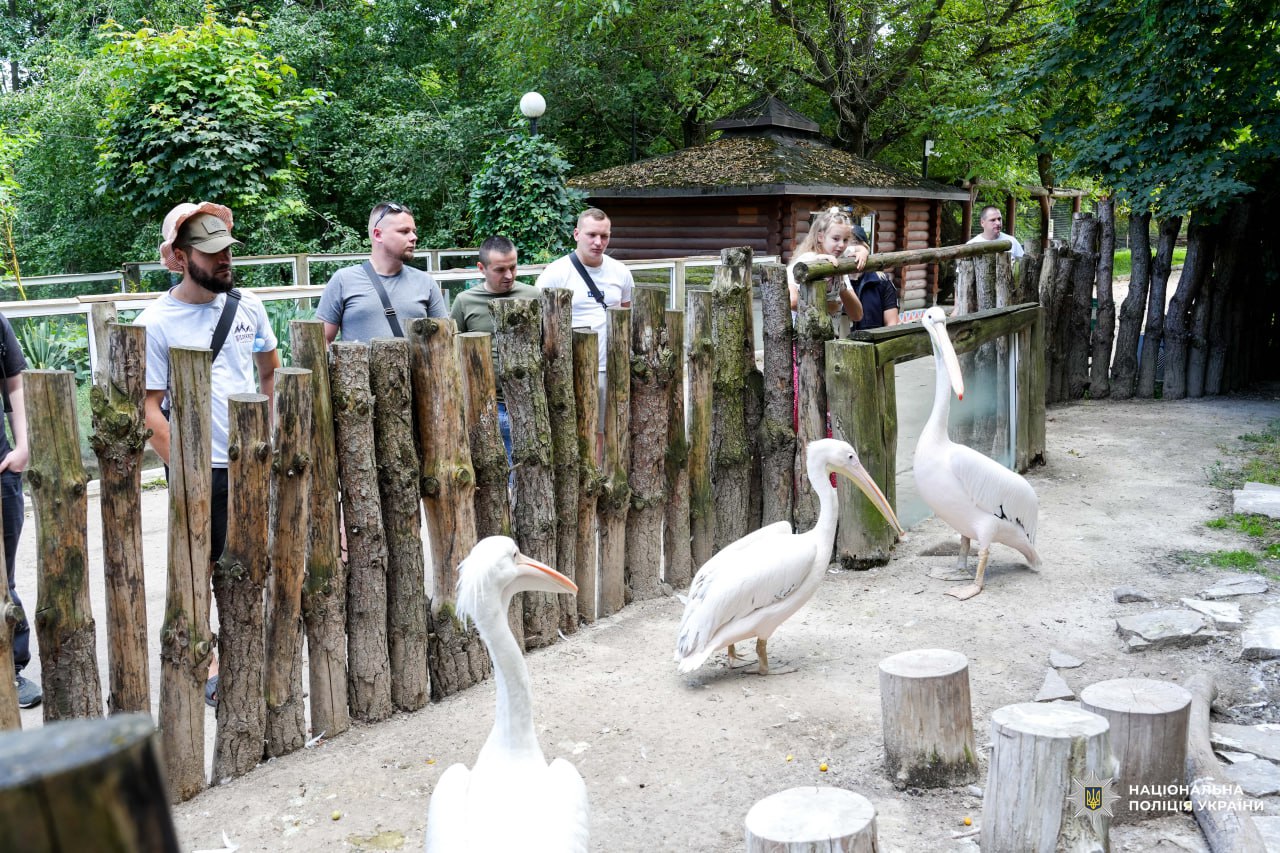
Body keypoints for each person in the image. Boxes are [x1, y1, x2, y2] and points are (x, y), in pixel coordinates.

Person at [137, 201, 280, 707]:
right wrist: (188, 469)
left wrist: (269, 436)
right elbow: (149, 409)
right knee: (199, 567)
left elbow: (269, 370)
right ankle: (207, 663)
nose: (224, 260)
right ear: (179, 257)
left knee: (251, 565)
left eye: (227, 250)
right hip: (200, 470)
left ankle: (247, 657)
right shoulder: (155, 323)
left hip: (251, 462)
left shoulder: (248, 305)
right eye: (211, 251)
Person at [535, 208, 633, 444]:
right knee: (574, 431)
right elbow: (539, 321)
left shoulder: (621, 272)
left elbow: (628, 316)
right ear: (577, 234)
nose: (598, 242)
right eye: (592, 235)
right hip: (569, 367)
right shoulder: (555, 274)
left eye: (604, 236)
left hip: (611, 366)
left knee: (607, 431)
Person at [450, 235, 539, 462]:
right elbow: (451, 352)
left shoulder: (533, 296)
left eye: (513, 267)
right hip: (484, 406)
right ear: (481, 268)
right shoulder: (465, 301)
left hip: (529, 404)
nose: (508, 275)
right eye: (500, 270)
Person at [317, 201, 448, 343]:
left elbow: (443, 341)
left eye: (413, 231)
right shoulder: (343, 280)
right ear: (378, 234)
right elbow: (321, 341)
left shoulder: (426, 283)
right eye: (404, 231)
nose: (413, 237)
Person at [0, 313, 35, 708]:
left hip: (1, 468)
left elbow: (14, 381)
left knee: (2, 576)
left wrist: (22, 446)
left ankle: (12, 668)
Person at [787, 206, 869, 338]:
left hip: (828, 338)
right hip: (802, 337)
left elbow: (857, 315)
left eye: (845, 240)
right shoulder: (806, 260)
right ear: (821, 236)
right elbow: (792, 301)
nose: (841, 245)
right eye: (836, 239)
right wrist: (829, 306)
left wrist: (863, 252)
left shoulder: (838, 260)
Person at [842, 225, 900, 331]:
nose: (850, 248)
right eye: (846, 242)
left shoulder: (882, 281)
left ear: (864, 247)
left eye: (854, 242)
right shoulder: (836, 281)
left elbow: (891, 323)